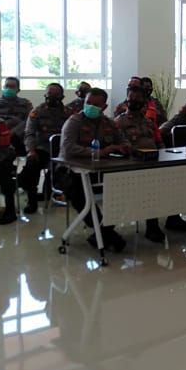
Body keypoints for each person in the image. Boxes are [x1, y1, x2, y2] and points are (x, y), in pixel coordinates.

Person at [58, 87, 131, 251]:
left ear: (104, 107)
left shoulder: (109, 123)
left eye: (96, 105)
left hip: (99, 171)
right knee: (81, 194)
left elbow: (123, 140)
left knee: (126, 187)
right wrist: (99, 152)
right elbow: (68, 148)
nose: (90, 106)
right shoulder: (74, 121)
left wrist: (124, 147)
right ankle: (106, 234)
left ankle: (102, 234)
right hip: (69, 172)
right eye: (88, 102)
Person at [113, 85, 167, 242]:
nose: (133, 101)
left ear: (144, 101)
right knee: (150, 187)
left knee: (173, 181)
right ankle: (152, 226)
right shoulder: (119, 122)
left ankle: (173, 219)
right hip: (132, 166)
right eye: (130, 98)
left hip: (153, 162)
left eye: (137, 99)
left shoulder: (149, 122)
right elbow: (119, 146)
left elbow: (159, 142)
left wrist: (165, 155)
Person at [20, 83, 73, 214]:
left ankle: (49, 193)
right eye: (50, 94)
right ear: (45, 95)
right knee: (32, 164)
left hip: (61, 149)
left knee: (59, 168)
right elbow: (29, 133)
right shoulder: (37, 112)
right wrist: (31, 150)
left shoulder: (69, 113)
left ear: (62, 97)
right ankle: (31, 200)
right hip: (41, 148)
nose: (52, 97)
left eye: (56, 95)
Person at [0, 77, 33, 156]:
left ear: (18, 90)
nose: (8, 89)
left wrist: (14, 132)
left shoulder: (25, 104)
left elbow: (29, 120)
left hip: (17, 137)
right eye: (6, 86)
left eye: (12, 87)